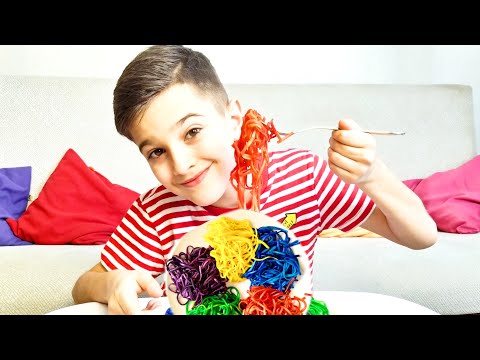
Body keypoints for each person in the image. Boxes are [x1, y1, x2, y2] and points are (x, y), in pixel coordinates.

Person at [71, 45, 437, 314]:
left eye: (192, 131)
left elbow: (422, 235)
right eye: (156, 151)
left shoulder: (303, 176)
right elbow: (82, 287)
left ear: (234, 120)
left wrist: (373, 176)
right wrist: (111, 284)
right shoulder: (155, 211)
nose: (180, 165)